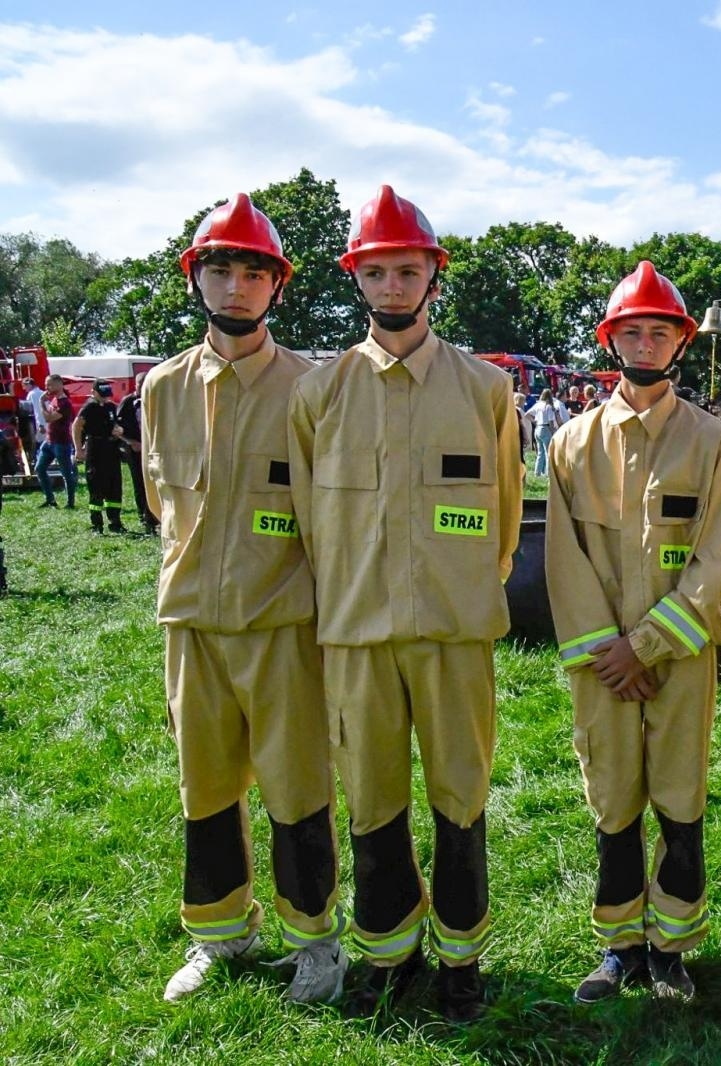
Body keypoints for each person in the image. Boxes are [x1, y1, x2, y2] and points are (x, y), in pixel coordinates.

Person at [287, 186, 522, 1022]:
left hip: (456, 636)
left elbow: (502, 521)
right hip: (357, 637)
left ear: (433, 277)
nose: (393, 286)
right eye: (377, 271)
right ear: (356, 278)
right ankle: (388, 951)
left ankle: (461, 957)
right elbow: (310, 524)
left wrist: (461, 594)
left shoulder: (486, 389)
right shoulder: (319, 394)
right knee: (372, 798)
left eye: (408, 271)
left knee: (461, 797)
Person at [143, 193, 345, 1004]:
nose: (236, 286)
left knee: (299, 791)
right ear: (196, 278)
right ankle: (220, 933)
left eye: (253, 272)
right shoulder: (162, 387)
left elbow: (329, 520)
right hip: (192, 625)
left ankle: (315, 942)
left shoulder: (311, 389)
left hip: (284, 624)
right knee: (205, 790)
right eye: (220, 269)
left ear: (277, 286)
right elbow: (163, 505)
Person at [546, 261, 721, 1004]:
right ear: (612, 339)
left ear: (681, 342)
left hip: (679, 656)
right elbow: (563, 560)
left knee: (680, 795)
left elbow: (717, 555)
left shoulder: (712, 440)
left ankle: (673, 947)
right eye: (633, 331)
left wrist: (648, 645)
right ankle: (620, 944)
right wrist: (611, 652)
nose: (647, 343)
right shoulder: (572, 443)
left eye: (661, 332)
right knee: (613, 796)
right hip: (602, 661)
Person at [73, 380, 125, 533]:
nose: (105, 398)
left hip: (111, 449)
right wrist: (78, 449)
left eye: (107, 395)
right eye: (102, 395)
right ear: (93, 392)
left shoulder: (110, 406)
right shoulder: (89, 407)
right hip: (95, 448)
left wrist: (119, 430)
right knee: (96, 486)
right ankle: (97, 524)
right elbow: (77, 426)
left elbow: (115, 424)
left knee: (114, 486)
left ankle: (115, 522)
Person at [115, 372, 160, 532]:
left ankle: (156, 515)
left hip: (153, 448)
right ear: (136, 385)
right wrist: (131, 442)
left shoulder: (155, 400)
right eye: (141, 385)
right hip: (135, 448)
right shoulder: (128, 402)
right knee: (140, 482)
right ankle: (144, 516)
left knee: (156, 481)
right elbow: (117, 427)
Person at [34, 374, 76, 508]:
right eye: (46, 385)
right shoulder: (54, 400)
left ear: (59, 385)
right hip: (49, 441)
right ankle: (50, 499)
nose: (47, 387)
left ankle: (70, 502)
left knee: (66, 473)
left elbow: (48, 418)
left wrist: (41, 402)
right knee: (39, 468)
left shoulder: (65, 403)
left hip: (61, 442)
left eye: (49, 385)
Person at [529, 388, 561, 477]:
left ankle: (537, 472)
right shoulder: (549, 406)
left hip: (538, 428)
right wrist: (553, 431)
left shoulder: (537, 405)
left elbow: (527, 414)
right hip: (546, 428)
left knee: (540, 452)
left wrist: (535, 422)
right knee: (548, 453)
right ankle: (548, 473)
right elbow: (551, 421)